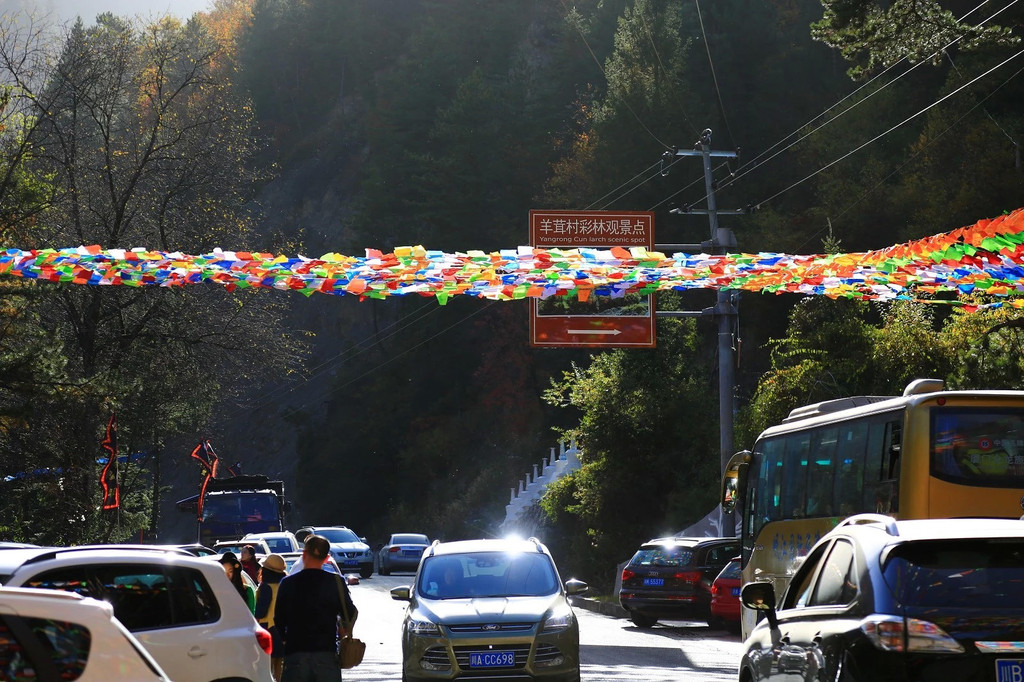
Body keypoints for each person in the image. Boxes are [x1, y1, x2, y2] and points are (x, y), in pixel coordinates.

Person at [274, 534, 358, 681]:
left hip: (295, 653)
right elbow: (350, 612)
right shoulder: (336, 582)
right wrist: (343, 629)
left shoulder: (288, 583)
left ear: (304, 554)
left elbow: (278, 618)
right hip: (326, 653)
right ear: (326, 558)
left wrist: (285, 639)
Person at [255, 553, 288, 682]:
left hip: (267, 628)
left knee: (268, 666)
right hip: (282, 628)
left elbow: (261, 612)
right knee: (280, 663)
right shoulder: (285, 585)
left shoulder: (265, 587)